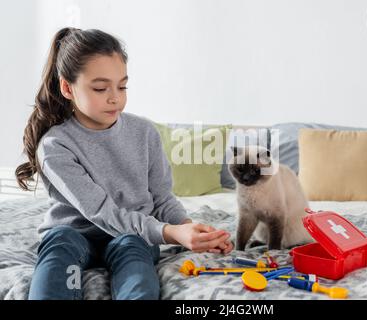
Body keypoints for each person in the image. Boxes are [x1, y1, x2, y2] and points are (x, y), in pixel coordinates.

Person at [15, 27, 233, 300]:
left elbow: (162, 199)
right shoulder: (55, 145)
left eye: (122, 86)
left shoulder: (145, 133)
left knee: (135, 255)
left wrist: (192, 230)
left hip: (133, 235)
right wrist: (171, 233)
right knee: (59, 246)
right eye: (100, 87)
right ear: (67, 88)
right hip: (72, 234)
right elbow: (101, 212)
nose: (115, 97)